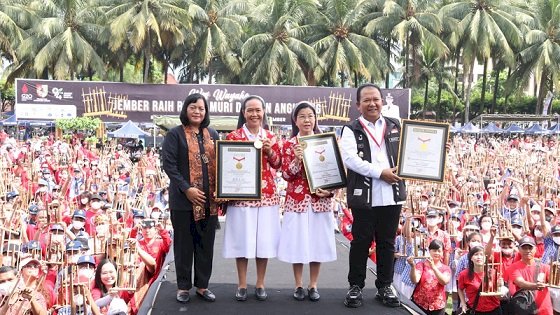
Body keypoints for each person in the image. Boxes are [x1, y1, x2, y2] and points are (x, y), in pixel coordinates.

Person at [339, 84, 406, 308]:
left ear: (382, 101)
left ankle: (385, 286)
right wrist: (380, 173)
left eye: (375, 99)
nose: (372, 104)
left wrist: (435, 152)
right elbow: (351, 160)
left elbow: (409, 152)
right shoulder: (351, 129)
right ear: (358, 105)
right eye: (366, 100)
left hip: (391, 195)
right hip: (365, 195)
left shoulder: (395, 125)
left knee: (387, 243)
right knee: (361, 242)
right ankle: (356, 286)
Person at [223, 95, 282, 301]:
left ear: (263, 112)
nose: (254, 114)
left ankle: (260, 283)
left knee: (263, 242)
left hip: (266, 197)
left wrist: (269, 151)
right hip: (241, 197)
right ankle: (241, 284)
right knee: (242, 241)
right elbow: (227, 167)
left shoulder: (271, 137)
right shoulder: (233, 137)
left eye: (258, 110)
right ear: (243, 113)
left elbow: (278, 164)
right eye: (250, 110)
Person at [161, 93, 219, 303]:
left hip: (208, 201)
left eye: (201, 108)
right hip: (183, 200)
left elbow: (221, 165)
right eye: (193, 107)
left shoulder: (212, 134)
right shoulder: (174, 135)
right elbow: (169, 166)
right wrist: (187, 189)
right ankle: (183, 286)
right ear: (186, 109)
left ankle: (202, 285)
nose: (197, 111)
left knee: (205, 244)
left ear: (206, 112)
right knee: (184, 244)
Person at [277, 102, 337, 301]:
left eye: (310, 115)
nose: (307, 120)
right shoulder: (288, 145)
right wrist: (296, 159)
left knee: (317, 243)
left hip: (319, 201)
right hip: (297, 201)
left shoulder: (325, 142)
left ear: (315, 119)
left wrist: (328, 191)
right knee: (298, 243)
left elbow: (334, 174)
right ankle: (298, 285)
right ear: (295, 120)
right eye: (302, 116)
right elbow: (286, 174)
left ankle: (313, 285)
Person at [506, 236, 553, 315]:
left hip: (544, 310)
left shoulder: (545, 267)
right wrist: (536, 286)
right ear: (519, 250)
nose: (527, 251)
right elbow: (521, 283)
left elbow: (555, 282)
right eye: (524, 248)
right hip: (524, 309)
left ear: (535, 249)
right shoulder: (513, 267)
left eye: (530, 248)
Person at [407, 240, 451, 315]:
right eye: (434, 250)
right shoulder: (421, 265)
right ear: (429, 251)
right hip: (419, 304)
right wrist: (413, 266)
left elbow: (444, 281)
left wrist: (433, 267)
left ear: (442, 252)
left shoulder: (445, 268)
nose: (437, 253)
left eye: (439, 251)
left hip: (437, 306)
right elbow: (415, 280)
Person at [457, 246, 503, 315]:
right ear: (471, 258)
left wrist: (499, 287)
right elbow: (460, 289)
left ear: (485, 258)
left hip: (494, 310)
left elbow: (499, 297)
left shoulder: (494, 273)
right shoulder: (464, 274)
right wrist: (463, 303)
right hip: (475, 310)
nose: (479, 257)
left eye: (482, 254)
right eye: (476, 254)